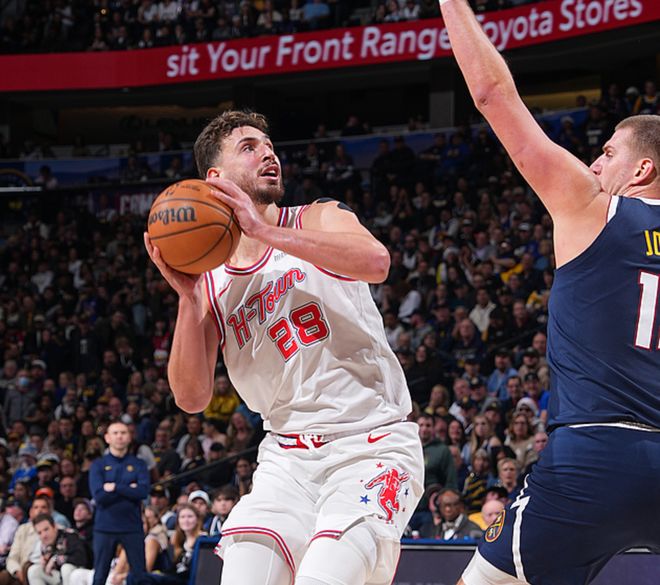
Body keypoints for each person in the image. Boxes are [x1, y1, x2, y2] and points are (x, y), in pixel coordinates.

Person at [144, 110, 424, 585]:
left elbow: (377, 262)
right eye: (249, 147)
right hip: (286, 461)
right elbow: (191, 398)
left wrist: (264, 231)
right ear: (215, 178)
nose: (268, 153)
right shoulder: (210, 282)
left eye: (269, 145)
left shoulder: (318, 216)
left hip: (370, 446)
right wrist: (189, 302)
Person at [440, 1, 660, 584]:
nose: (594, 163)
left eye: (607, 153)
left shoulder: (593, 206)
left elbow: (493, 95)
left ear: (641, 170)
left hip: (594, 453)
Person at [88, 421, 149, 585]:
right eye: (115, 433)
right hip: (105, 527)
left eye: (123, 433)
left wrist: (115, 487)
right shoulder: (98, 465)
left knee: (140, 576)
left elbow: (142, 492)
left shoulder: (139, 464)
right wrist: (129, 488)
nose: (119, 436)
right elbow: (99, 496)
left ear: (129, 437)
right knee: (99, 576)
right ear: (107, 438)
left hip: (132, 526)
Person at [27, 514, 89, 585]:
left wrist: (56, 560)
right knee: (34, 570)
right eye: (39, 533)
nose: (44, 535)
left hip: (80, 576)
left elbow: (81, 558)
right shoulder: (44, 545)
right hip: (59, 577)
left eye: (46, 529)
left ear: (55, 526)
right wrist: (45, 562)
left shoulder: (70, 535)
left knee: (66, 568)